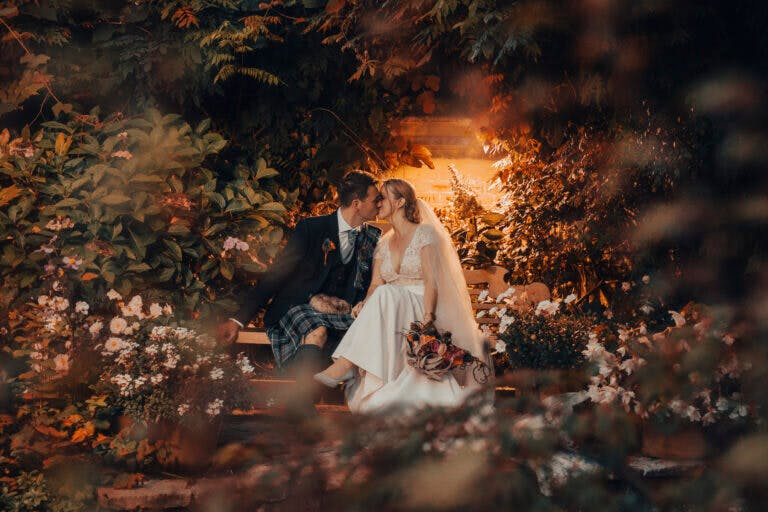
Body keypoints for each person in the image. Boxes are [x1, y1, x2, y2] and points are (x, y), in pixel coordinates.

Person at [314, 179, 490, 413]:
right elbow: (376, 284)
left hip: (421, 305)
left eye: (383, 198)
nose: (378, 203)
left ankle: (347, 364)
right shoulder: (383, 242)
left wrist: (428, 317)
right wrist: (365, 303)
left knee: (387, 293)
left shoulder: (424, 234)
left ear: (399, 202)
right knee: (384, 293)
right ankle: (350, 366)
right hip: (391, 308)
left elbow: (432, 282)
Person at [218, 170, 383, 374]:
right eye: (376, 200)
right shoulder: (312, 228)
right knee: (318, 331)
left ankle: (301, 389)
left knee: (361, 334)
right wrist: (239, 319)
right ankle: (302, 391)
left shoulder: (373, 237)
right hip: (297, 307)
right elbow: (277, 273)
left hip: (341, 312)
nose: (380, 204)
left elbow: (371, 282)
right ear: (357, 203)